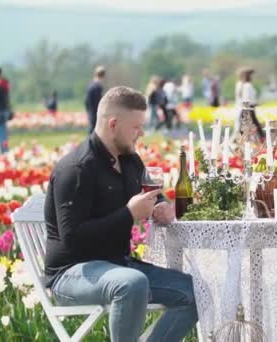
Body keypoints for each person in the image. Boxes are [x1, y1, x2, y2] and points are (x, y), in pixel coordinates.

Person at [44, 86, 198, 342]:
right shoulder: (77, 169)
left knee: (194, 292)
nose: (142, 133)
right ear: (113, 123)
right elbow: (72, 238)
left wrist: (162, 206)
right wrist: (129, 214)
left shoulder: (130, 160)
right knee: (132, 283)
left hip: (118, 264)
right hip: (72, 273)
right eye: (136, 127)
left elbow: (153, 194)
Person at [239, 68, 264, 138]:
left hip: (249, 107)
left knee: (246, 123)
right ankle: (262, 137)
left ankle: (242, 138)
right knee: (248, 123)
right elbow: (247, 98)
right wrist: (254, 103)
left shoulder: (247, 85)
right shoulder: (247, 85)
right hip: (248, 107)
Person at [84, 65, 106, 134]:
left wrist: (88, 111)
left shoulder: (90, 85)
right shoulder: (98, 87)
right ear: (103, 75)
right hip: (96, 111)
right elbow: (99, 102)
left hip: (90, 111)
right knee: (95, 130)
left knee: (92, 128)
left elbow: (86, 101)